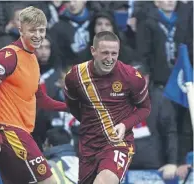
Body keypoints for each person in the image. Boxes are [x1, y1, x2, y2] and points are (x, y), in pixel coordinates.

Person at [0, 6, 67, 184]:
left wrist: (71, 107)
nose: (38, 35)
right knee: (49, 181)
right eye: (32, 30)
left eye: (41, 30)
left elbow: (41, 99)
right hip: (9, 131)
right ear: (20, 30)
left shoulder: (33, 59)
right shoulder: (7, 56)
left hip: (20, 132)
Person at [64, 31, 151, 184]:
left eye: (114, 53)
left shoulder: (131, 77)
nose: (110, 59)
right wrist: (90, 123)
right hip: (89, 144)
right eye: (105, 53)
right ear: (93, 51)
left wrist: (124, 125)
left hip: (118, 143)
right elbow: (72, 105)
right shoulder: (75, 76)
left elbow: (145, 108)